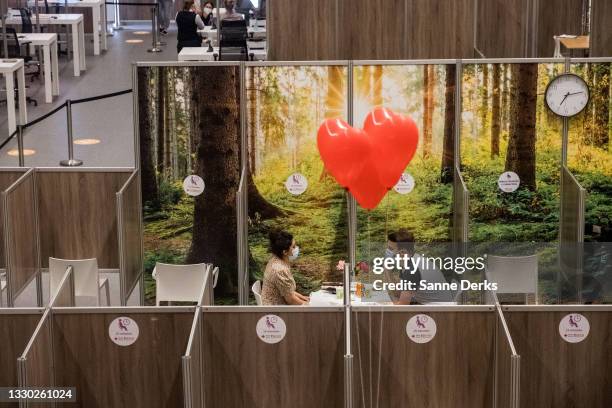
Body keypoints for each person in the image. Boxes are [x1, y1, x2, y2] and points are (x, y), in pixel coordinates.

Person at [384, 229, 456, 305]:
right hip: (433, 308)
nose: (387, 251)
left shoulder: (412, 270)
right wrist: (387, 270)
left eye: (390, 249)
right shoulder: (413, 260)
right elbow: (398, 292)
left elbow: (402, 307)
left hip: (437, 313)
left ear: (402, 252)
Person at [261, 230, 309, 305]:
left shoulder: (274, 260)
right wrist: (310, 306)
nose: (296, 248)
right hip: (277, 312)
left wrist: (303, 298)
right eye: (293, 247)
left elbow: (288, 291)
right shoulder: (280, 270)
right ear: (285, 252)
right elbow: (291, 300)